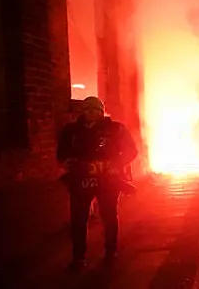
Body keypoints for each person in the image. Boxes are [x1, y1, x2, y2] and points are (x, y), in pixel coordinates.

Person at [57, 96, 138, 270]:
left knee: (109, 216)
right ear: (82, 111)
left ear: (101, 111)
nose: (91, 112)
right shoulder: (71, 131)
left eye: (95, 109)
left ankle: (111, 251)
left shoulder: (115, 129)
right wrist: (70, 163)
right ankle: (79, 258)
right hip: (80, 181)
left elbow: (131, 150)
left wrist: (115, 164)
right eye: (87, 109)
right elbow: (61, 152)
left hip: (108, 180)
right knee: (79, 218)